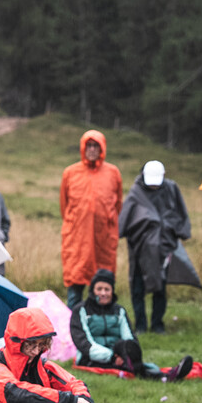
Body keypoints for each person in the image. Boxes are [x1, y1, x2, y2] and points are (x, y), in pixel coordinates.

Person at [69, 269, 191, 380]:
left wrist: (125, 354)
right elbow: (84, 343)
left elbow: (129, 337)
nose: (103, 293)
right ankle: (164, 377)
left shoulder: (119, 311)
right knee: (130, 367)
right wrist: (111, 357)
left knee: (128, 347)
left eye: (107, 289)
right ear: (92, 291)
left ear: (112, 291)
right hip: (90, 357)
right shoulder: (80, 310)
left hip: (117, 354)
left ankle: (159, 374)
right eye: (99, 289)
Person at [119, 160, 191, 333]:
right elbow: (126, 219)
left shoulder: (171, 189)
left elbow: (180, 213)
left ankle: (158, 324)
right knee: (137, 288)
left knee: (160, 286)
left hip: (163, 247)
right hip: (139, 248)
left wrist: (176, 231)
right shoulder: (136, 191)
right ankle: (141, 325)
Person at [60, 130, 123, 307]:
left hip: (103, 240)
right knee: (75, 288)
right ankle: (73, 329)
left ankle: (101, 327)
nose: (92, 149)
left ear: (102, 148)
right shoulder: (70, 173)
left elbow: (117, 205)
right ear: (83, 147)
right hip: (77, 240)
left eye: (96, 145)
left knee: (102, 288)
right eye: (89, 145)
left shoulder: (113, 173)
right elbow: (64, 207)